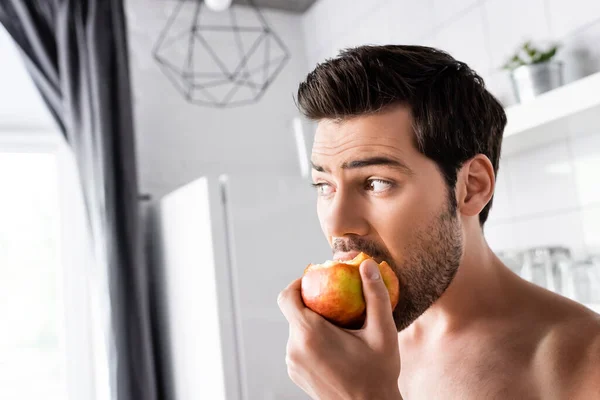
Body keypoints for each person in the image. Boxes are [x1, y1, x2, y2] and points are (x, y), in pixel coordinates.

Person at [277, 45, 600, 399]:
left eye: (376, 182)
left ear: (471, 187)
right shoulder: (345, 353)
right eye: (324, 186)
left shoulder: (584, 362)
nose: (337, 224)